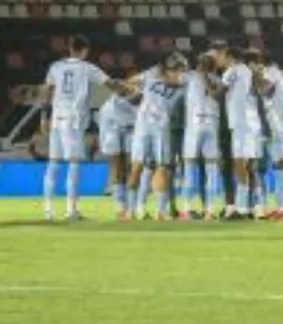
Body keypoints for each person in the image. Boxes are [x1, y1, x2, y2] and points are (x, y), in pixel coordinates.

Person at [41, 35, 118, 221]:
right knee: (74, 164)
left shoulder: (56, 67)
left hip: (56, 118)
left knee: (53, 164)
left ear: (69, 48)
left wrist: (44, 117)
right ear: (85, 50)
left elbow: (48, 92)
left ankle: (48, 211)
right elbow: (110, 84)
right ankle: (71, 210)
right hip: (73, 120)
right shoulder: (88, 68)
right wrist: (130, 88)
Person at [125, 51, 188, 221]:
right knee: (137, 167)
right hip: (143, 126)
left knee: (163, 167)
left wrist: (162, 78)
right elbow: (130, 82)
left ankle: (161, 211)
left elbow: (179, 82)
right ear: (167, 68)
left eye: (179, 69)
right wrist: (136, 90)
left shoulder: (182, 84)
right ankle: (130, 210)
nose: (177, 73)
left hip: (161, 127)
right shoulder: (151, 75)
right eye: (174, 69)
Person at [210, 42, 262, 219]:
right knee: (248, 165)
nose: (222, 60)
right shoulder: (248, 71)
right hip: (252, 121)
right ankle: (250, 208)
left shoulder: (231, 71)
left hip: (240, 123)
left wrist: (209, 87)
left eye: (224, 56)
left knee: (239, 164)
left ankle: (240, 209)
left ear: (230, 57)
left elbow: (219, 94)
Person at [251, 53, 283, 220]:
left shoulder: (271, 72)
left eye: (251, 64)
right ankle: (281, 207)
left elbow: (267, 89)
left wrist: (259, 74)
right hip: (278, 127)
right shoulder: (269, 73)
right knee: (280, 169)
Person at [180, 52, 224, 220]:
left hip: (194, 126)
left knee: (190, 169)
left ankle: (187, 209)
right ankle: (209, 210)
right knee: (211, 169)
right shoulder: (219, 81)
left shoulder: (190, 76)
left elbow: (172, 81)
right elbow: (219, 96)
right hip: (211, 124)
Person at [96, 80, 140, 219]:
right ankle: (121, 206)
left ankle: (132, 206)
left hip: (131, 130)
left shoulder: (139, 99)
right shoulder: (107, 108)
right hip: (111, 130)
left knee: (131, 167)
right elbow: (103, 126)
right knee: (117, 168)